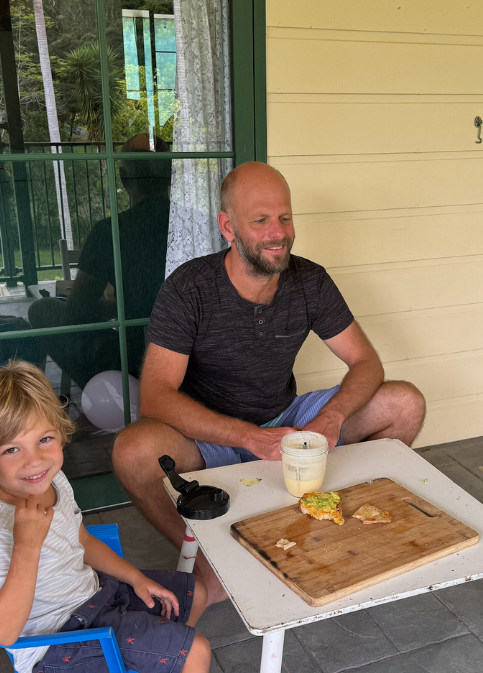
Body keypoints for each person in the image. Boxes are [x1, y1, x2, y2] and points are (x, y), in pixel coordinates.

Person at [112, 161, 427, 605]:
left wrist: (333, 417)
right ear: (228, 226)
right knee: (132, 450)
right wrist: (247, 436)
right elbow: (155, 397)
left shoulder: (309, 280)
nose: (277, 232)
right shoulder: (189, 287)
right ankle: (205, 557)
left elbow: (366, 362)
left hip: (286, 421)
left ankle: (337, 522)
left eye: (284, 217)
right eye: (260, 220)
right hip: (208, 437)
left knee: (405, 403)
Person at [0, 360, 211, 673]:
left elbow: (81, 540)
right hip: (55, 639)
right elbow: (3, 632)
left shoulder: (52, 480)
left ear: (61, 434)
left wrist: (135, 578)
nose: (34, 460)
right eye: (11, 449)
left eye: (44, 439)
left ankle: (157, 668)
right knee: (197, 653)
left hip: (93, 596)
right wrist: (27, 545)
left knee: (195, 593)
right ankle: (176, 664)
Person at [27, 132, 169, 388]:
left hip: (135, 363)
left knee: (43, 310)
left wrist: (116, 308)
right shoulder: (199, 226)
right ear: (171, 177)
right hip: (195, 359)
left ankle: (110, 396)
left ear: (125, 179)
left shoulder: (111, 231)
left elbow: (76, 314)